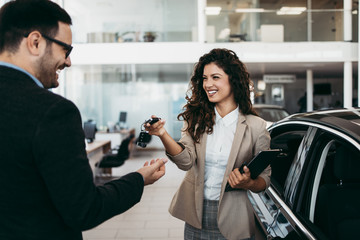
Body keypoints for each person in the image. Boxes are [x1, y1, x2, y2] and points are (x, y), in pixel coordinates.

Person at [0, 1, 166, 240]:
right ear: (35, 42)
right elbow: (84, 210)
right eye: (66, 50)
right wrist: (139, 178)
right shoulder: (54, 111)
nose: (68, 62)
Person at [146, 48, 271, 240]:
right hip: (196, 212)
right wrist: (162, 133)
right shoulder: (195, 119)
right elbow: (185, 161)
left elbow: (264, 181)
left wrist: (249, 182)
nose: (208, 84)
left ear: (232, 80)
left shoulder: (256, 127)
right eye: (204, 78)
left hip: (235, 216)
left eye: (215, 77)